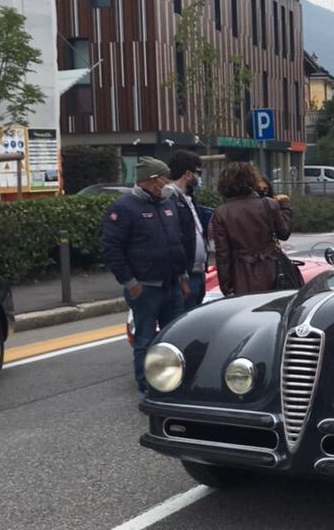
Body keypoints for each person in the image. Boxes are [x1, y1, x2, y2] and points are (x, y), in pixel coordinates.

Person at [102, 156, 190, 397]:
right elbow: (112, 249)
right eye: (165, 177)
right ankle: (147, 386)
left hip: (172, 284)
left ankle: (173, 382)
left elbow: (177, 243)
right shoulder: (123, 208)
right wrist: (131, 284)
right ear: (154, 180)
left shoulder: (167, 204)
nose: (169, 182)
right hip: (145, 288)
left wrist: (182, 277)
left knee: (174, 337)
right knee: (145, 339)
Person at [211, 161, 293, 297]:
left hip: (241, 274)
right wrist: (285, 207)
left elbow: (223, 254)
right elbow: (284, 233)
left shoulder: (222, 212)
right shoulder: (269, 204)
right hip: (272, 269)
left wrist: (226, 286)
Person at [164, 149, 211, 309]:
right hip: (185, 274)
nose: (198, 178)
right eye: (198, 173)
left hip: (197, 271)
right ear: (188, 174)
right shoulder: (170, 198)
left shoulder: (188, 198)